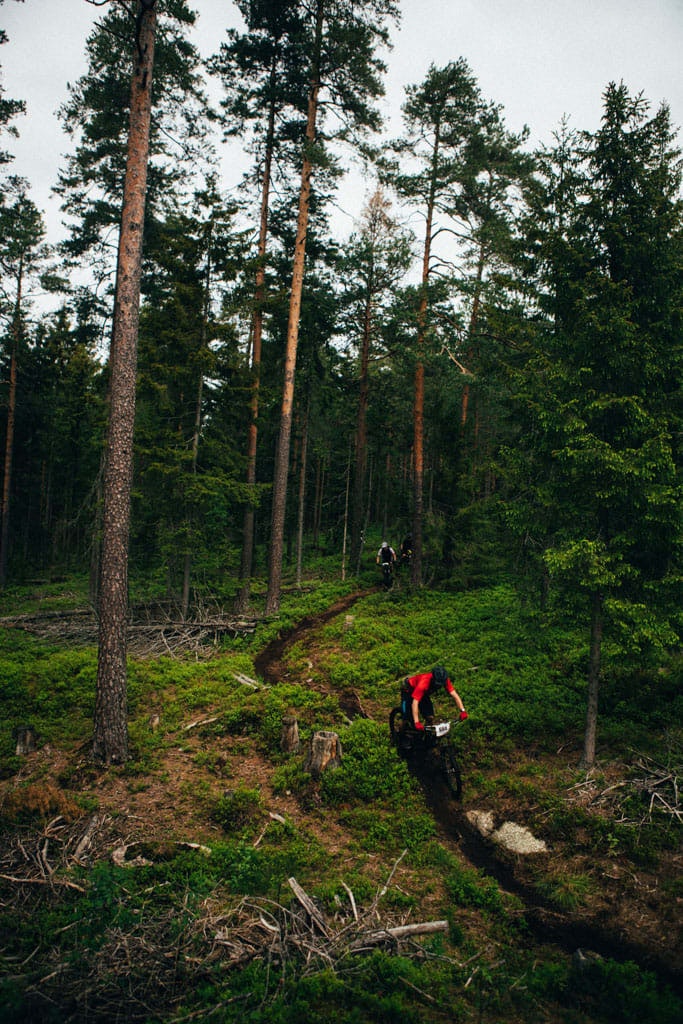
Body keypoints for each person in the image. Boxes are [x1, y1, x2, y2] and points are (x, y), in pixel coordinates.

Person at [401, 665, 468, 732]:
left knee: (430, 717)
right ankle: (402, 731)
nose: (439, 686)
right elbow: (415, 702)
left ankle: (426, 735)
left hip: (424, 693)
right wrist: (417, 722)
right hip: (408, 690)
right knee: (408, 717)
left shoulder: (444, 680)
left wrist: (463, 710)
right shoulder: (424, 683)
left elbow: (454, 694)